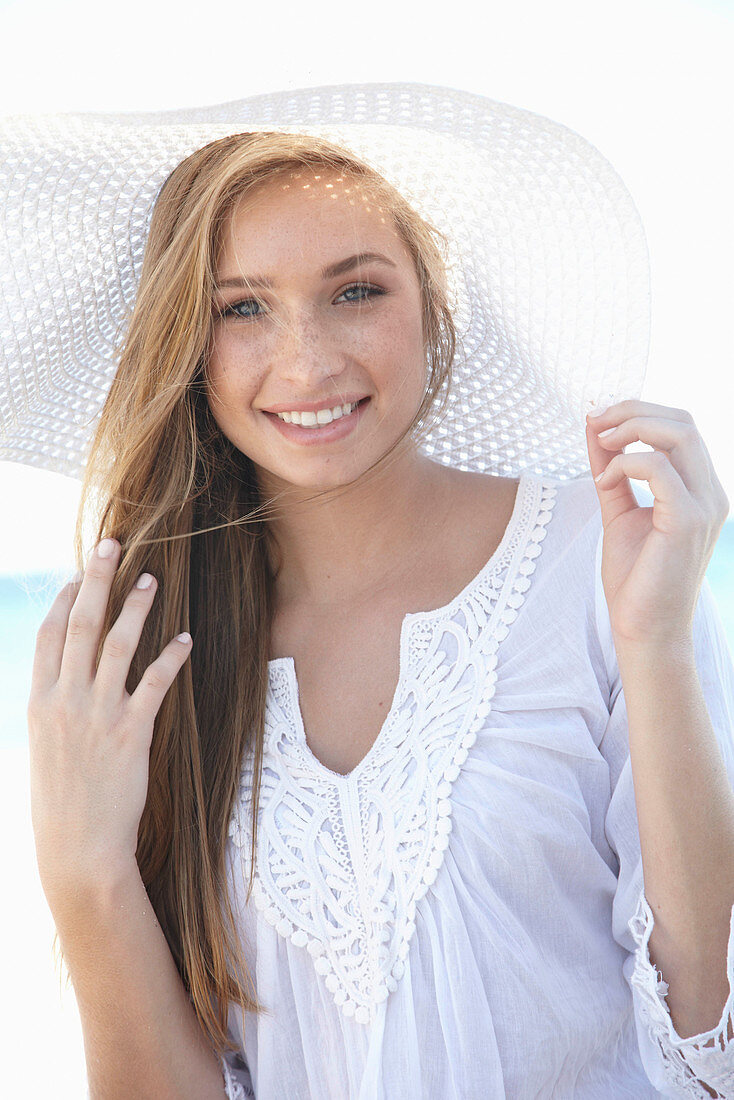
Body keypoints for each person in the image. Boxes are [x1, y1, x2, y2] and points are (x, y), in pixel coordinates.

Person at [2, 82, 733, 1099]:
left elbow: (702, 1026)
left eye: (355, 290)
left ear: (432, 303)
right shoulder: (145, 641)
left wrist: (653, 645)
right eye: (241, 307)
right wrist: (84, 873)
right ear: (189, 342)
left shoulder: (596, 559)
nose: (305, 361)